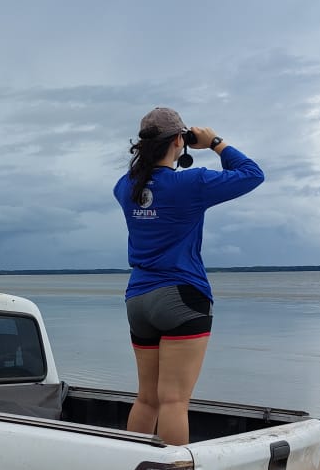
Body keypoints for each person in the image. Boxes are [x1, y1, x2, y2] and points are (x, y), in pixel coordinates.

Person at [113, 107, 264, 444]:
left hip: (138, 298)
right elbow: (252, 174)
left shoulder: (124, 188)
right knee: (174, 401)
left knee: (147, 398)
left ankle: (127, 465)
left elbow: (146, 185)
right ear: (180, 141)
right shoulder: (192, 183)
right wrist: (215, 143)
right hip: (182, 294)